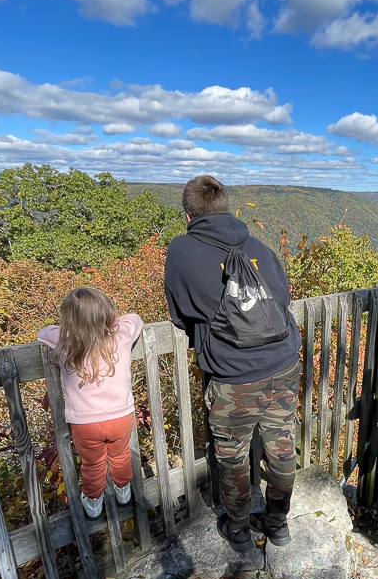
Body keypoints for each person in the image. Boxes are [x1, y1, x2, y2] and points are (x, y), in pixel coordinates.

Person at [164, 175, 301, 553]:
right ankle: (278, 526)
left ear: (188, 215)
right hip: (284, 363)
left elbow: (180, 315)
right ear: (226, 207)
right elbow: (283, 296)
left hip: (232, 377)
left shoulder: (181, 250)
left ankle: (239, 529)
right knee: (281, 445)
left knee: (233, 456)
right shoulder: (258, 244)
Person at [37, 288, 143, 519]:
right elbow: (135, 319)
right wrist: (111, 320)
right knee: (121, 454)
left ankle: (93, 501)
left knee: (92, 463)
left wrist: (70, 328)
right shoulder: (121, 336)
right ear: (106, 312)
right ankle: (123, 489)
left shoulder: (65, 344)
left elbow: (43, 332)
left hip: (85, 423)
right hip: (120, 417)